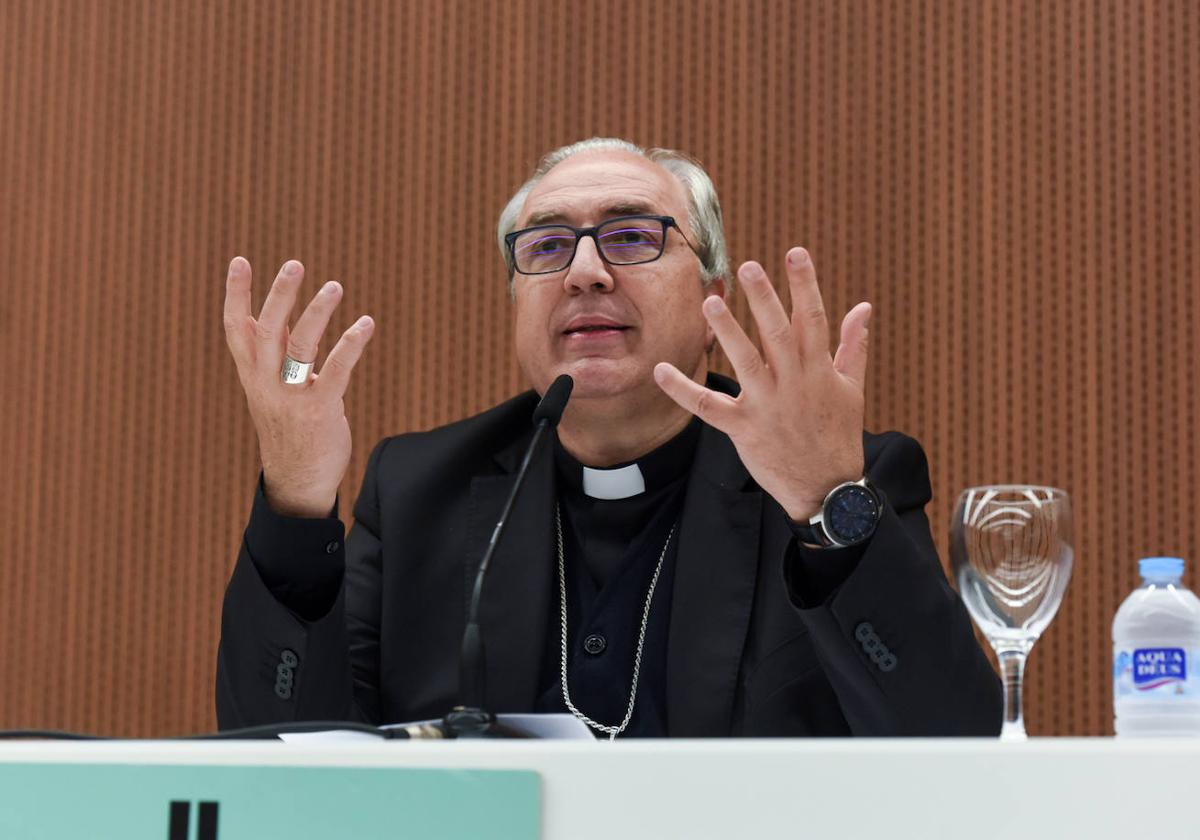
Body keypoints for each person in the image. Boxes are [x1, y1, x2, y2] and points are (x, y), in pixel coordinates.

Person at [217, 137, 1001, 737]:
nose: (585, 272)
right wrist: (295, 501)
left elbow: (955, 744)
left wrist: (826, 505)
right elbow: (284, 754)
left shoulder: (827, 476)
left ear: (709, 303)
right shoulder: (421, 490)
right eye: (547, 247)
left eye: (631, 237)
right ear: (517, 302)